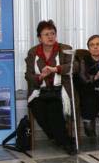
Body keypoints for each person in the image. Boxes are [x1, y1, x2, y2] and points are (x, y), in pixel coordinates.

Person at [25, 20, 76, 155]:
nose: (50, 37)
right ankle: (60, 138)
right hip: (40, 91)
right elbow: (28, 75)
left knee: (54, 108)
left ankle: (65, 142)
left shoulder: (65, 48)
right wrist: (40, 77)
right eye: (46, 34)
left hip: (60, 90)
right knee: (38, 109)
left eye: (52, 33)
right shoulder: (33, 52)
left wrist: (55, 69)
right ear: (39, 38)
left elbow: (74, 66)